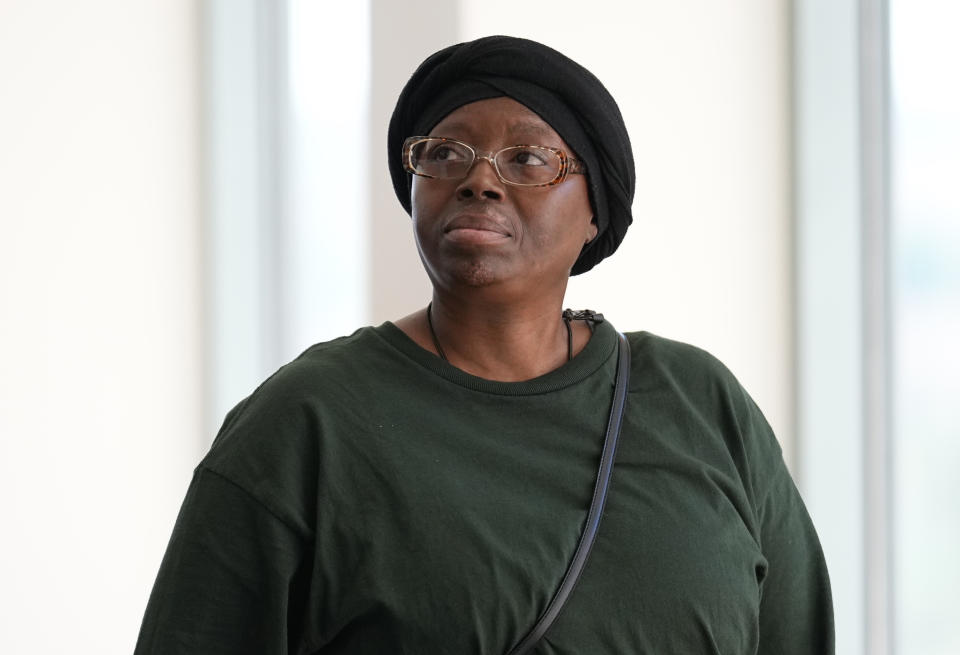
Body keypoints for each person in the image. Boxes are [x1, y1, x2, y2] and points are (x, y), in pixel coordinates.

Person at [135, 36, 834, 654]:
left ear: (596, 211)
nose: (478, 180)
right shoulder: (304, 422)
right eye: (444, 154)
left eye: (528, 158)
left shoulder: (702, 404)